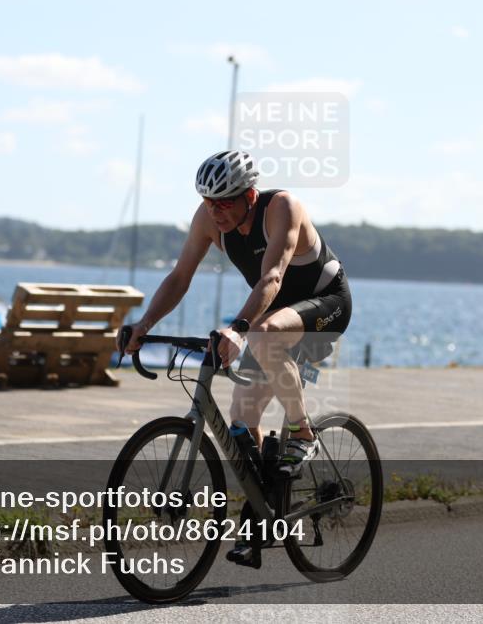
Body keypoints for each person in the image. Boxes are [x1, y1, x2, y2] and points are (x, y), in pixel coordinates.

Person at [119, 150, 352, 476]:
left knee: (262, 333)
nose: (215, 211)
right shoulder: (207, 218)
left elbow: (272, 277)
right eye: (208, 200)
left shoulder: (282, 208)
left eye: (225, 202)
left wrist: (238, 329)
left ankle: (303, 432)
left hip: (326, 302)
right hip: (273, 315)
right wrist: (144, 324)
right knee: (243, 416)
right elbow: (179, 277)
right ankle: (266, 499)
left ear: (251, 196)